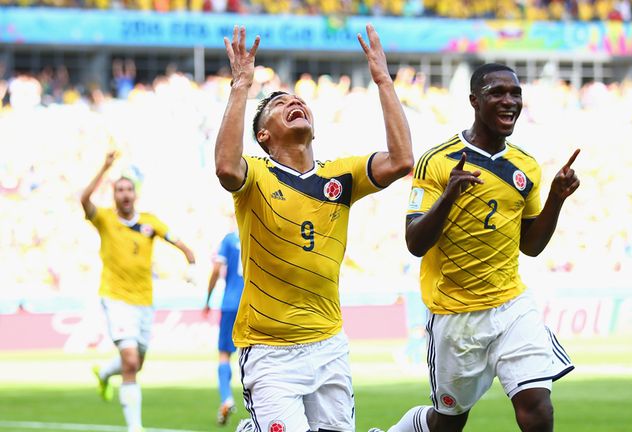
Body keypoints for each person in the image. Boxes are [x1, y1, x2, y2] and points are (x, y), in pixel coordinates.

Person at [214, 24, 413, 432]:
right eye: (281, 103)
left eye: (299, 101)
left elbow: (401, 160)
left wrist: (383, 80)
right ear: (264, 135)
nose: (295, 103)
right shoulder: (255, 174)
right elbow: (225, 167)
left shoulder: (341, 176)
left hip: (328, 345)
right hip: (269, 349)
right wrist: (241, 85)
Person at [372, 63, 580, 432]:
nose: (509, 101)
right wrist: (449, 195)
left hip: (511, 306)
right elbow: (415, 242)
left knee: (537, 408)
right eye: (497, 93)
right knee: (447, 424)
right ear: (474, 101)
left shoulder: (525, 166)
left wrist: (556, 199)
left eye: (515, 93)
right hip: (456, 315)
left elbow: (530, 246)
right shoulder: (437, 161)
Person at [84, 151, 196, 432]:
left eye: (128, 190)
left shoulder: (149, 222)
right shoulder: (105, 219)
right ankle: (136, 428)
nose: (124, 194)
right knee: (131, 362)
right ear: (113, 195)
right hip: (116, 298)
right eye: (119, 190)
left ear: (135, 194)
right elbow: (83, 201)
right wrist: (104, 167)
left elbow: (181, 244)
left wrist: (191, 263)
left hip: (144, 301)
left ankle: (105, 373)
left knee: (135, 363)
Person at [204, 228, 245, 426]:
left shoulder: (229, 239)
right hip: (254, 304)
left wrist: (208, 298)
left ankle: (226, 398)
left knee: (224, 354)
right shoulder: (259, 230)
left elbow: (215, 269)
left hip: (230, 303)